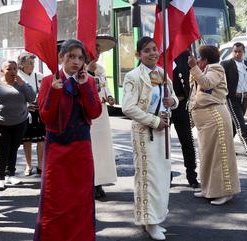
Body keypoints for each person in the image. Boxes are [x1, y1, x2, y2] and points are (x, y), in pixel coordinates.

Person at [33, 39, 102, 241]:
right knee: (55, 200)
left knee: (81, 201)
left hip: (81, 149)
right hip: (56, 149)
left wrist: (84, 87)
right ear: (62, 57)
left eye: (80, 58)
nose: (76, 61)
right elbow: (46, 117)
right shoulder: (48, 81)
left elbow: (95, 112)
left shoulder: (88, 81)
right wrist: (54, 91)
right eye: (71, 56)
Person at [122, 36, 178, 241]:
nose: (153, 53)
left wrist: (172, 101)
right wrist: (154, 121)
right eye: (147, 50)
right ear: (139, 54)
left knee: (162, 178)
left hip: (162, 133)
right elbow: (128, 107)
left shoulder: (162, 73)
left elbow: (172, 99)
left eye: (155, 49)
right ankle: (149, 221)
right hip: (144, 134)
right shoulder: (133, 77)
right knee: (148, 178)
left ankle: (156, 218)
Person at [188, 45, 241, 205]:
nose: (197, 60)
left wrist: (194, 68)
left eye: (199, 58)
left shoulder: (216, 69)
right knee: (207, 155)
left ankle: (225, 191)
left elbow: (207, 84)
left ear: (205, 60)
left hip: (215, 117)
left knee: (220, 156)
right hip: (205, 121)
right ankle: (208, 189)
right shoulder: (204, 69)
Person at [0, 60, 36, 191]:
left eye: (15, 68)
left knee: (14, 149)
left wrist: (23, 85)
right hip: (1, 123)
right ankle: (1, 178)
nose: (13, 71)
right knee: (2, 151)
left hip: (20, 122)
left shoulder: (21, 83)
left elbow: (32, 98)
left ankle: (11, 174)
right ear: (3, 71)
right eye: (9, 69)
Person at [220, 42, 247, 161]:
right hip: (231, 99)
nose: (237, 54)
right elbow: (220, 81)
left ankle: (224, 149)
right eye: (235, 51)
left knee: (234, 126)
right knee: (241, 124)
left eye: (239, 51)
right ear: (232, 52)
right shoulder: (226, 64)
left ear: (244, 52)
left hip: (244, 99)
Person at [87, 35, 118, 199]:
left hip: (102, 113)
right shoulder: (82, 68)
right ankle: (90, 182)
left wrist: (110, 96)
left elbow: (104, 87)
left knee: (102, 150)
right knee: (90, 150)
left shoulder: (100, 68)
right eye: (95, 48)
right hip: (89, 115)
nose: (97, 52)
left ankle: (99, 182)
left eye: (99, 49)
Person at [171, 50, 199, 189]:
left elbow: (194, 80)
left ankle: (192, 175)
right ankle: (166, 176)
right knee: (162, 144)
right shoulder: (156, 52)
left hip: (181, 105)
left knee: (187, 141)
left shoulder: (184, 54)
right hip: (162, 107)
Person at [17, 52, 44, 176]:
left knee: (41, 139)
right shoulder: (17, 77)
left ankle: (40, 164)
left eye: (33, 63)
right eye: (29, 63)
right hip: (24, 111)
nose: (32, 66)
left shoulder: (38, 76)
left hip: (38, 110)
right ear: (21, 65)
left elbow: (45, 91)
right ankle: (28, 165)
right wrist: (27, 106)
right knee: (26, 139)